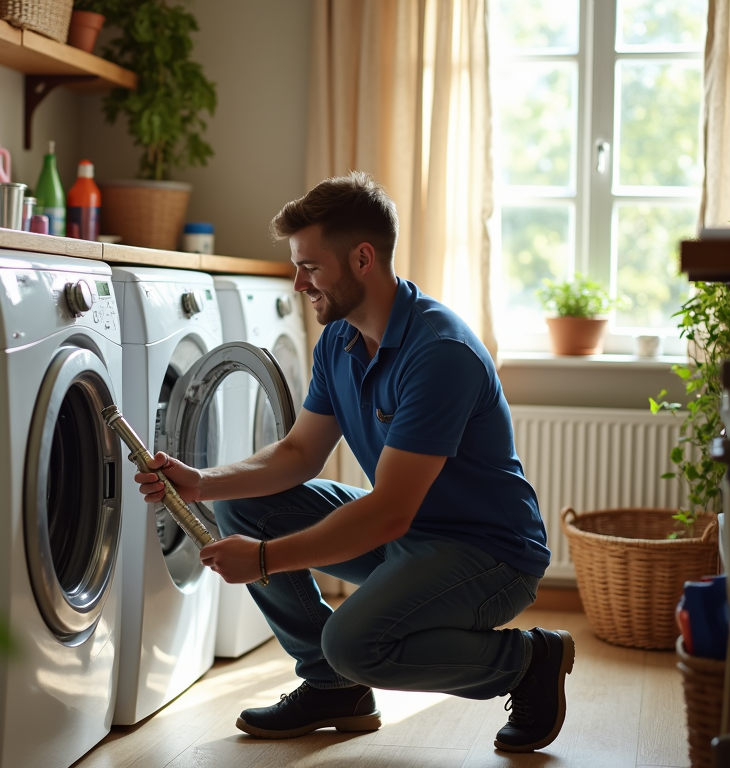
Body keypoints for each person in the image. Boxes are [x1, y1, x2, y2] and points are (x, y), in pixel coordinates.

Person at [132, 172, 574, 753]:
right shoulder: (340, 340)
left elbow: (388, 512)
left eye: (310, 267)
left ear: (363, 258)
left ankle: (525, 660)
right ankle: (333, 688)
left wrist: (263, 558)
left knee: (355, 643)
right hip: (409, 534)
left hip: (488, 554)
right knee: (241, 501)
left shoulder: (439, 353)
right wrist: (201, 483)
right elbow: (298, 453)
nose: (297, 283)